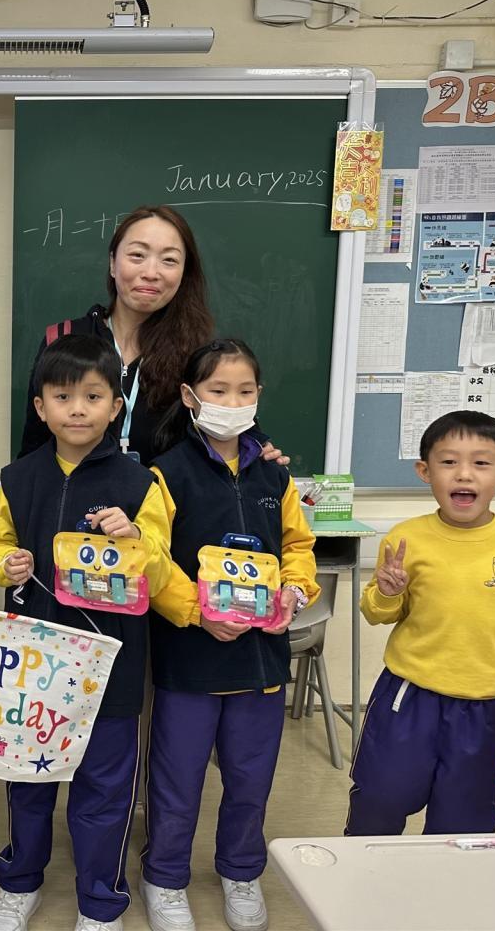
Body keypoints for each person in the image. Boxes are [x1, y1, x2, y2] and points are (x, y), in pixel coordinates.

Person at [0, 334, 172, 931]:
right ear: (41, 407)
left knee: (104, 787)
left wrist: (134, 542)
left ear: (116, 406)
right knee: (27, 781)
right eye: (63, 397)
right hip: (32, 660)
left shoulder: (142, 484)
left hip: (110, 663)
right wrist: (3, 565)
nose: (78, 409)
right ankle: (20, 881)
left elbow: (163, 571)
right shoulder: (18, 478)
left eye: (93, 396)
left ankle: (101, 902)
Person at [140, 339, 318, 931]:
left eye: (244, 391)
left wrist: (295, 590)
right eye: (218, 390)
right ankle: (165, 877)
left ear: (259, 395)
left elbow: (297, 546)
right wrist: (197, 610)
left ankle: (241, 870)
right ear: (191, 396)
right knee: (178, 779)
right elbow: (151, 559)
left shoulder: (274, 473)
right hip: (190, 660)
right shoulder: (166, 474)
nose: (232, 402)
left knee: (250, 777)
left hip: (259, 661)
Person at [346, 411, 495, 837]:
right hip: (407, 699)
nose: (464, 474)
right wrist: (387, 592)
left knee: (465, 823)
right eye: (448, 462)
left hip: (487, 711)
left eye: (481, 463)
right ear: (425, 471)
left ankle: (446, 881)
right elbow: (376, 612)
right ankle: (362, 877)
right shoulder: (406, 539)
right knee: (378, 803)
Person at [18, 205, 288, 468]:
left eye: (169, 260)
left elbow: (238, 432)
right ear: (112, 263)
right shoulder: (62, 339)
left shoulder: (201, 353)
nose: (150, 273)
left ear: (184, 273)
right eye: (137, 255)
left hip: (169, 497)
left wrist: (258, 450)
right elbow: (35, 448)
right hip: (80, 498)